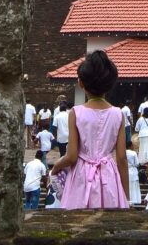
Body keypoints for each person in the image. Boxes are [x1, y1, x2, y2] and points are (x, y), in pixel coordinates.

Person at [50, 50, 129, 208]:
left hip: (81, 176)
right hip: (109, 176)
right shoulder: (118, 114)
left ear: (81, 83)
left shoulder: (76, 113)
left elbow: (71, 156)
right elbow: (121, 158)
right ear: (110, 84)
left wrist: (56, 167)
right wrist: (126, 197)